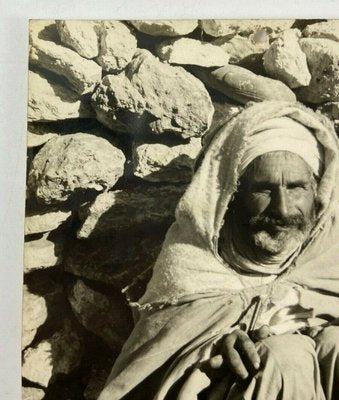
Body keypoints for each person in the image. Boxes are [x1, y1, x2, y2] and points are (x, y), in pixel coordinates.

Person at [98, 101, 339, 400]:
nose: (283, 208)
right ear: (231, 195)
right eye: (263, 189)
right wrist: (214, 345)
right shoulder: (191, 268)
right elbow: (152, 372)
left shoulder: (328, 258)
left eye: (296, 187)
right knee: (285, 356)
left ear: (317, 191)